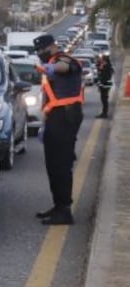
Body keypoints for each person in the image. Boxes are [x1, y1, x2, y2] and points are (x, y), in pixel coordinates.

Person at [33, 33, 83, 225]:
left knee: (61, 164)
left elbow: (66, 68)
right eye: (37, 51)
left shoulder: (64, 60)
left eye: (42, 50)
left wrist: (51, 68)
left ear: (52, 46)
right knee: (52, 165)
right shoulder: (51, 62)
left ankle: (64, 210)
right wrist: (44, 123)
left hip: (66, 116)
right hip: (56, 117)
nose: (40, 54)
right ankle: (58, 205)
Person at [96, 53, 114, 118]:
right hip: (104, 85)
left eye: (102, 59)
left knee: (104, 99)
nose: (101, 60)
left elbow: (104, 76)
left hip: (105, 85)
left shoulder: (107, 66)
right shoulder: (105, 65)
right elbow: (98, 67)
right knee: (103, 99)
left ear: (104, 60)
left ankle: (104, 113)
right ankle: (104, 112)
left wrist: (101, 67)